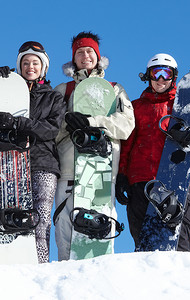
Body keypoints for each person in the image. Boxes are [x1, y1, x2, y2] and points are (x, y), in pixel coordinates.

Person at [116, 53, 190, 252]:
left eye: (166, 73)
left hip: (174, 178)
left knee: (180, 231)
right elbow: (126, 144)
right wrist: (121, 175)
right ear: (148, 76)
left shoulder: (181, 105)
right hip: (140, 181)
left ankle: (180, 278)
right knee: (142, 235)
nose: (161, 79)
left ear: (174, 77)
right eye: (156, 73)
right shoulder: (137, 107)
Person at [53, 31, 135, 261]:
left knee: (99, 228)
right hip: (69, 170)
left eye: (90, 51)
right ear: (74, 58)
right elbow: (51, 130)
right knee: (65, 232)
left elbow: (126, 125)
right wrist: (68, 125)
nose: (85, 56)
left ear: (98, 57)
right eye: (80, 52)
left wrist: (92, 122)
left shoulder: (115, 89)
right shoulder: (64, 90)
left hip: (102, 170)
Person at [0, 41, 66, 263]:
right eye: (25, 63)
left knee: (39, 220)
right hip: (11, 161)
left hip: (43, 163)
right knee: (13, 219)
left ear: (43, 67)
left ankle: (40, 267)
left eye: (35, 63)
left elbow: (52, 129)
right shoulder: (9, 92)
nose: (30, 67)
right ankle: (12, 265)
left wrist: (19, 123)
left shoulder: (53, 97)